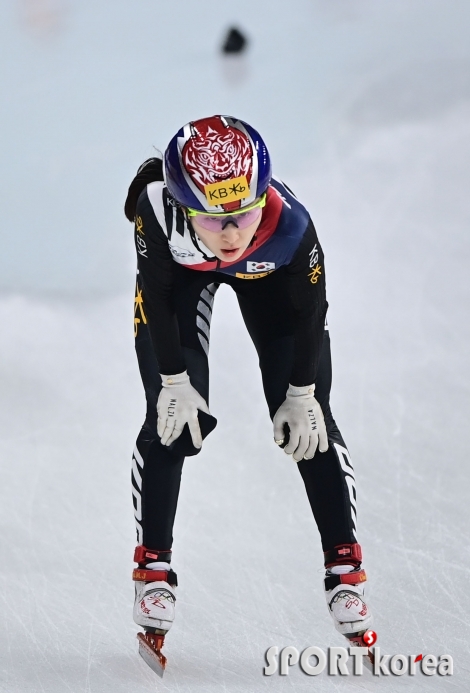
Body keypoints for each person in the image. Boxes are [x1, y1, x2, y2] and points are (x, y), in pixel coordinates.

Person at [124, 115, 373, 663]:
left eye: (243, 213)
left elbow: (310, 314)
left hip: (275, 286)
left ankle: (344, 566)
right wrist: (173, 380)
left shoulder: (291, 227)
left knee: (312, 429)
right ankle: (153, 567)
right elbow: (158, 302)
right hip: (179, 285)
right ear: (185, 208)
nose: (232, 233)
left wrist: (303, 392)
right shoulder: (155, 213)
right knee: (172, 424)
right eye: (213, 221)